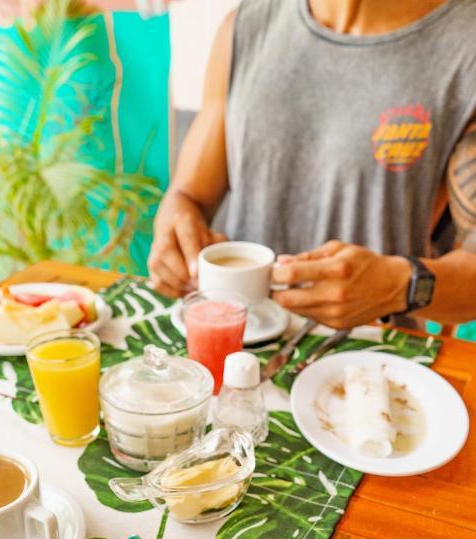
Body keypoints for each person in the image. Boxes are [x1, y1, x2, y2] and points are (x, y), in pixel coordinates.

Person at [148, 0, 476, 328]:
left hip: (369, 367)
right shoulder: (246, 25)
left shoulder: (465, 44)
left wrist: (400, 286)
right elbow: (188, 195)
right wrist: (175, 236)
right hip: (235, 350)